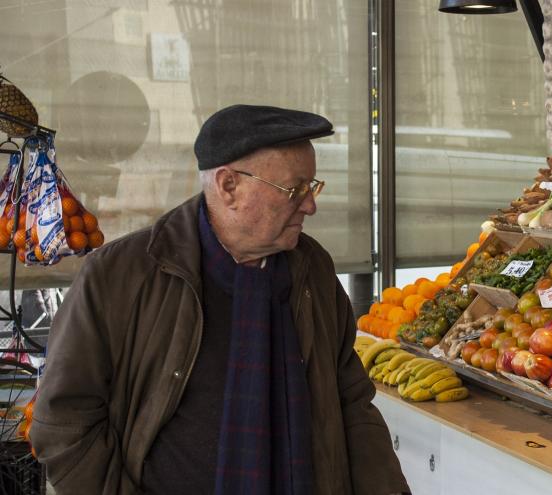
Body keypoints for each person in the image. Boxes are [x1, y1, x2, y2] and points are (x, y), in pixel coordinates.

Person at [30, 105, 410, 495]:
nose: (310, 205)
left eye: (312, 187)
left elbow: (351, 404)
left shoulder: (312, 270)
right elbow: (63, 423)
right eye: (294, 189)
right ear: (229, 186)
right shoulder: (120, 276)